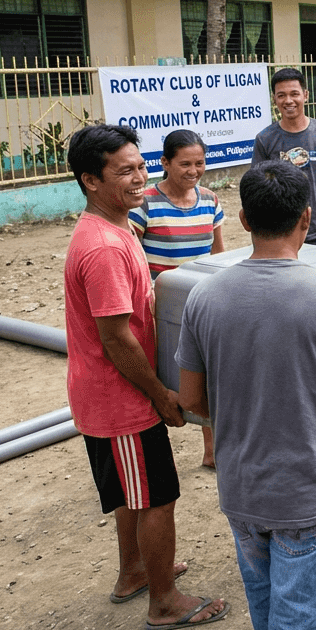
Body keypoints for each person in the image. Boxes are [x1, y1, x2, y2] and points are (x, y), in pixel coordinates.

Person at [178, 161, 316, 630]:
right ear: (307, 218)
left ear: (243, 219)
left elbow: (191, 401)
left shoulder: (202, 297)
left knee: (268, 617)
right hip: (306, 493)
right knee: (300, 627)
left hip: (242, 491)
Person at [63, 124, 228, 630]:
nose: (138, 179)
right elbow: (116, 338)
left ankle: (134, 571)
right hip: (121, 399)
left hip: (114, 394)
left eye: (139, 167)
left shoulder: (116, 227)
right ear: (91, 180)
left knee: (134, 492)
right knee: (156, 495)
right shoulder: (106, 247)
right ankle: (164, 602)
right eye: (123, 171)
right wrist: (158, 394)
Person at [129, 129, 225, 469]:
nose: (193, 171)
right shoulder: (145, 204)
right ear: (165, 163)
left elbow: (218, 254)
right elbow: (134, 257)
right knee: (161, 376)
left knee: (209, 374)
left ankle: (212, 450)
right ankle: (152, 451)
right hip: (160, 310)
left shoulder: (210, 200)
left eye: (199, 163)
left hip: (202, 307)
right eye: (184, 164)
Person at [252, 67, 316, 246]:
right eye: (281, 95)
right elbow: (259, 188)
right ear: (274, 99)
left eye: (294, 94)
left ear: (305, 95)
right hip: (281, 233)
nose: (288, 101)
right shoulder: (264, 139)